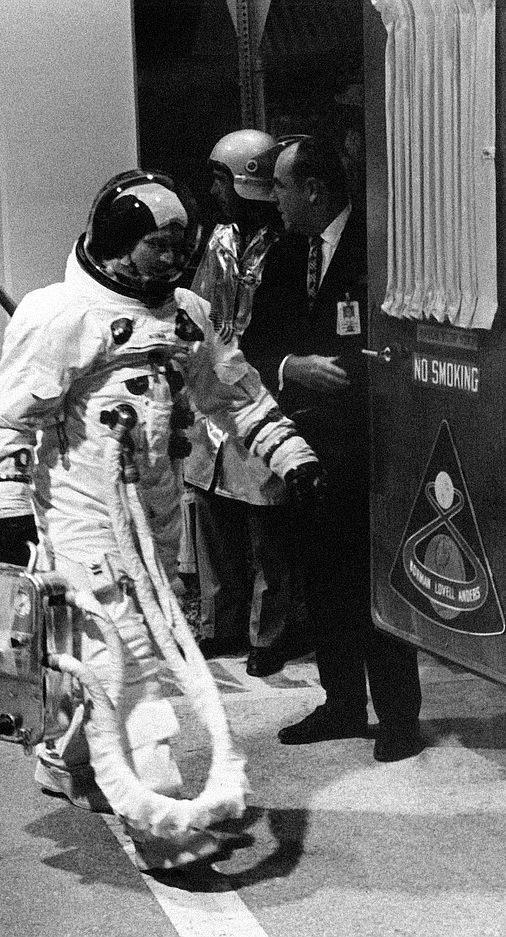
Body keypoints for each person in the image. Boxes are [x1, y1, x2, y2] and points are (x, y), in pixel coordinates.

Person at [0, 170, 324, 868]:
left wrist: (290, 453)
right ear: (114, 243)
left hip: (155, 519)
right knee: (127, 657)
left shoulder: (184, 312)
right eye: (154, 246)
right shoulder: (62, 314)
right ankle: (161, 819)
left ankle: (68, 758)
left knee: (122, 651)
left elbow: (231, 390)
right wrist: (10, 513)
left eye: (176, 245)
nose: (168, 259)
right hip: (84, 518)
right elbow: (10, 415)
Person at [243, 134, 423, 762]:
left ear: (314, 190)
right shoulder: (286, 256)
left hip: (374, 445)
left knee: (379, 579)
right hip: (304, 450)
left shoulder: (383, 248)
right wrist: (291, 368)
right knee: (322, 581)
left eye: (282, 188)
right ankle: (342, 703)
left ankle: (399, 716)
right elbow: (254, 347)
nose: (275, 202)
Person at [184, 129, 303, 677]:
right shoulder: (219, 239)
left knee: (267, 527)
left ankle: (269, 633)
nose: (213, 191)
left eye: (219, 179)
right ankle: (221, 624)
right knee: (213, 518)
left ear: (245, 181)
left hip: (259, 395)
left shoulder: (285, 244)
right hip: (216, 396)